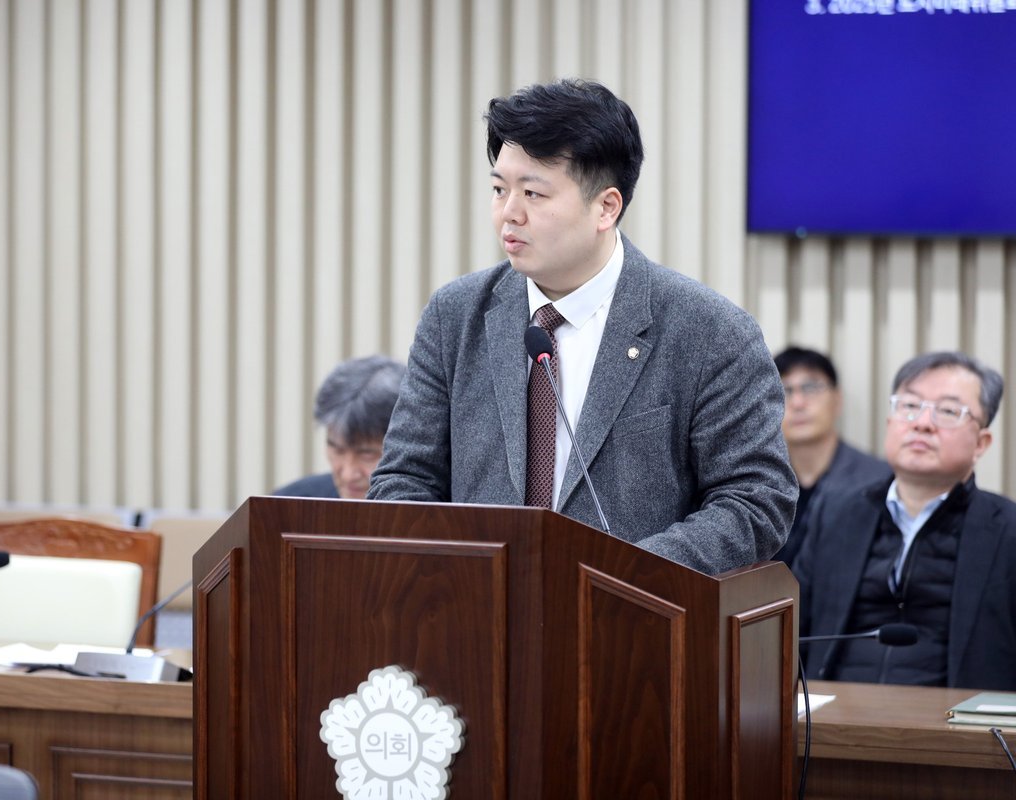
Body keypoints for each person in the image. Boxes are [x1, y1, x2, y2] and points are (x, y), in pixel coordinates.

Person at [367, 79, 797, 575]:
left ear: (606, 207)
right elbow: (404, 480)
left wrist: (622, 574)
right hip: (478, 606)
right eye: (499, 189)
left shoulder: (710, 332)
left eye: (533, 193)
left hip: (633, 610)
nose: (509, 213)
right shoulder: (455, 316)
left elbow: (755, 501)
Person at [794, 351, 1016, 689]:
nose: (922, 423)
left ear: (981, 443)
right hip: (833, 713)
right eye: (910, 406)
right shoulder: (836, 514)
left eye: (947, 411)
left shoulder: (1007, 531)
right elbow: (792, 629)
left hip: (957, 718)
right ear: (890, 423)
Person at [772, 346, 890, 566]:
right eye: (785, 390)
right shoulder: (759, 482)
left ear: (837, 400)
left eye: (811, 387)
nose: (798, 403)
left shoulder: (879, 481)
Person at [273, 355, 405, 500]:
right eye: (338, 451)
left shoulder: (423, 508)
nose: (348, 475)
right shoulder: (292, 504)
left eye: (367, 455)